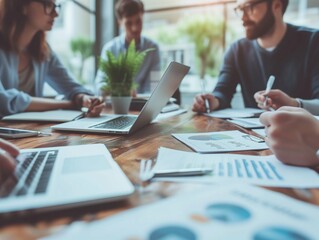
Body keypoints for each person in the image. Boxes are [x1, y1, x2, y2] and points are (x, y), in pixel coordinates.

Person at [192, 0, 319, 115]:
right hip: (254, 136)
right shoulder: (237, 50)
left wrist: (294, 104)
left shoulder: (313, 42)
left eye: (249, 7)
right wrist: (212, 101)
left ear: (276, 5)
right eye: (240, 9)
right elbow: (223, 92)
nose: (243, 17)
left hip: (304, 137)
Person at [0, 0, 104, 118]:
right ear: (23, 6)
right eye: (48, 5)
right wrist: (69, 104)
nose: (56, 14)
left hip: (31, 132)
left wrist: (84, 98)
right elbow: (3, 100)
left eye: (56, 6)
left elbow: (71, 86)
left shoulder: (42, 50)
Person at [95, 0, 161, 94]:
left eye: (138, 21)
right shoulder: (109, 49)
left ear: (143, 16)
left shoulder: (153, 48)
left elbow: (153, 88)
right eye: (128, 23)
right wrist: (121, 91)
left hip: (143, 106)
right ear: (119, 22)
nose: (135, 28)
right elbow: (100, 85)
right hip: (116, 105)